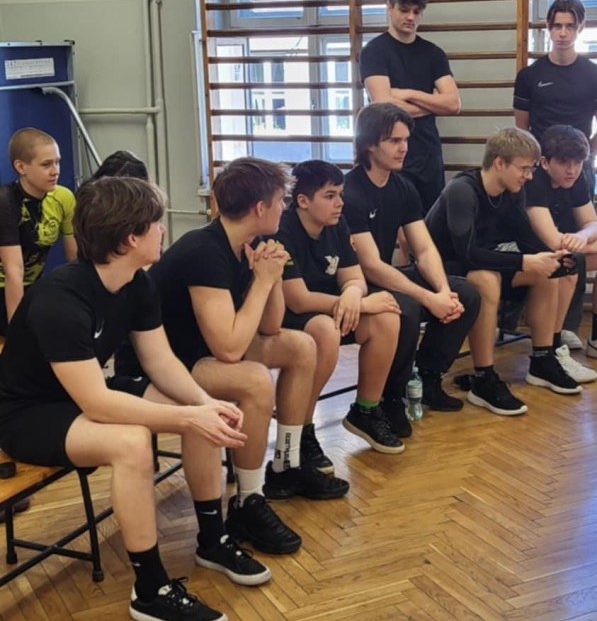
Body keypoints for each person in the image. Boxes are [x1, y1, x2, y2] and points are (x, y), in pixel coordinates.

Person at [0, 177, 263, 621]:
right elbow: (98, 405)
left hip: (82, 394)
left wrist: (203, 403)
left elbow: (160, 361)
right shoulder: (60, 299)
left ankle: (212, 540)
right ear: (130, 239)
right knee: (132, 442)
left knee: (200, 411)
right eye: (156, 223)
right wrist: (189, 417)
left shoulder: (138, 283)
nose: (163, 229)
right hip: (28, 413)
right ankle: (150, 590)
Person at [146, 157, 349, 547]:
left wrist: (270, 279)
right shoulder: (205, 250)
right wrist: (263, 282)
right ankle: (248, 501)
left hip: (202, 351)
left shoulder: (247, 243)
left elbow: (271, 326)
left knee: (300, 345)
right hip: (169, 361)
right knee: (254, 380)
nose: (284, 208)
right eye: (281, 200)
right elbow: (228, 348)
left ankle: (286, 464)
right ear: (260, 208)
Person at [343, 102, 480, 438]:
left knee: (465, 292)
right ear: (369, 144)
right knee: (405, 307)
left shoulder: (403, 187)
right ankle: (389, 398)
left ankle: (428, 378)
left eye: (406, 140)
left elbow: (423, 248)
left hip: (383, 276)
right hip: (356, 283)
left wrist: (442, 291)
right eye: (394, 140)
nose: (404, 147)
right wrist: (428, 298)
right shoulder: (350, 191)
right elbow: (371, 265)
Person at [425, 126, 583, 417]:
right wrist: (524, 261)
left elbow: (525, 238)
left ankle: (542, 358)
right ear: (499, 162)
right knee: (487, 279)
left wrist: (554, 257)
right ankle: (484, 378)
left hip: (479, 262)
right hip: (441, 269)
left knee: (545, 271)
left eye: (531, 169)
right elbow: (466, 253)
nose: (529, 176)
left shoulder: (512, 193)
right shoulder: (462, 190)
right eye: (524, 168)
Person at [273, 160, 404, 462]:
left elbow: (355, 278)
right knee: (325, 330)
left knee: (385, 317)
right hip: (287, 317)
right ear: (303, 201)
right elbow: (298, 300)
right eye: (330, 196)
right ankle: (302, 428)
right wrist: (357, 302)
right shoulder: (282, 230)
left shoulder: (337, 224)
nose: (340, 203)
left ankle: (366, 411)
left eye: (340, 194)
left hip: (331, 309)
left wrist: (353, 295)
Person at [513, 0, 597, 349]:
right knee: (548, 243)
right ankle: (546, 328)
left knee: (579, 240)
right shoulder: (530, 76)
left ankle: (567, 327)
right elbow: (522, 130)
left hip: (578, 168)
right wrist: (539, 167)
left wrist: (579, 161)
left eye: (570, 26)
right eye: (556, 25)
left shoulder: (595, 75)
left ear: (580, 28)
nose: (562, 33)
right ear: (547, 27)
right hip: (539, 171)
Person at [526, 124, 597, 368]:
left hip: (557, 252)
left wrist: (584, 237)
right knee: (568, 265)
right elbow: (551, 241)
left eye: (577, 163)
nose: (572, 170)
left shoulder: (576, 179)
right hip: (528, 257)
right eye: (564, 163)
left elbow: (592, 223)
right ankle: (552, 347)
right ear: (544, 162)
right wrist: (589, 246)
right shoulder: (533, 182)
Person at [360, 0, 461, 215]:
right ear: (390, 7)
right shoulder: (374, 51)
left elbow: (453, 104)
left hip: (427, 153)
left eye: (416, 12)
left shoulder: (433, 53)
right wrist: (433, 104)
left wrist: (408, 94)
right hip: (388, 153)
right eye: (404, 10)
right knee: (394, 222)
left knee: (430, 222)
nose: (410, 17)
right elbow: (382, 104)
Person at [0, 128, 77, 335]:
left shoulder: (63, 198)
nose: (55, 171)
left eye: (57, 162)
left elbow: (75, 258)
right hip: (5, 287)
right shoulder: (5, 202)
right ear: (21, 167)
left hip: (34, 286)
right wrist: (17, 333)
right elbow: (13, 271)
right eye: (46, 164)